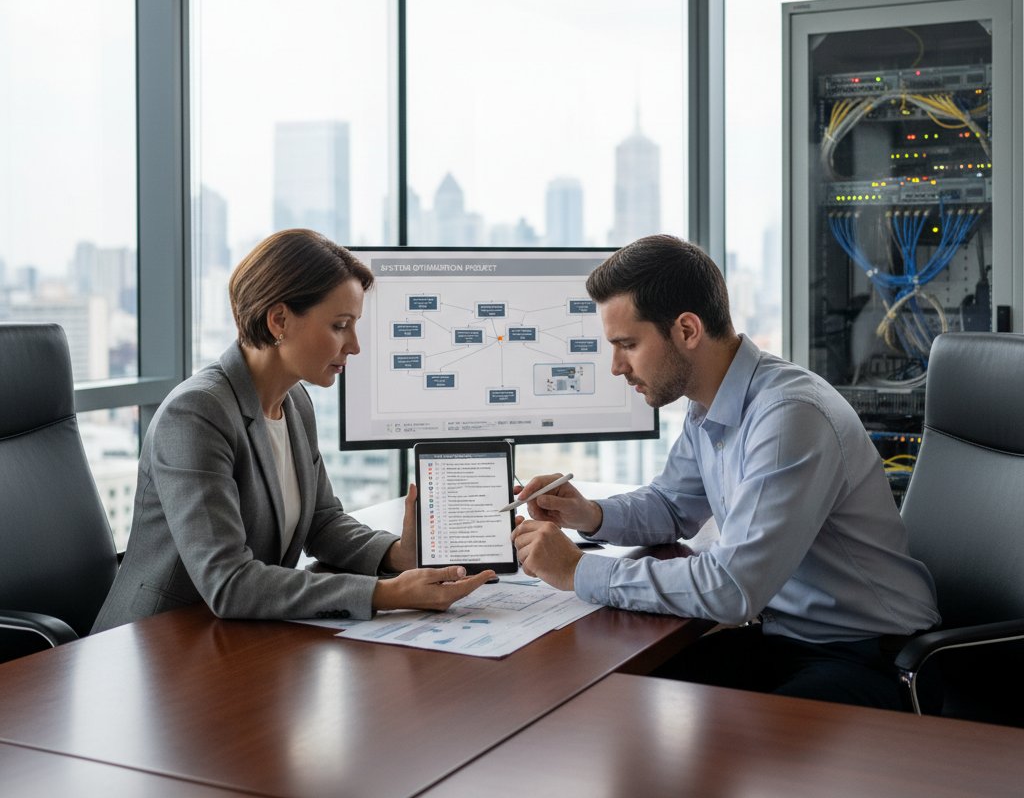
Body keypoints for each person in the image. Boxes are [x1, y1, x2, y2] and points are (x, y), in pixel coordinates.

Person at [511, 234, 939, 709]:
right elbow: (671, 506)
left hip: (869, 655)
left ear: (687, 330)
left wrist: (578, 570)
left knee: (698, 731)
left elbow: (731, 588)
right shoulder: (709, 403)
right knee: (615, 690)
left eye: (627, 344)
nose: (616, 367)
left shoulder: (788, 416)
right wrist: (589, 514)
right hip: (786, 638)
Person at [94, 229, 494, 632]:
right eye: (340, 325)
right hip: (157, 641)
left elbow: (321, 521)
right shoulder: (196, 413)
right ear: (279, 320)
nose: (354, 345)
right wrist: (385, 594)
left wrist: (396, 555)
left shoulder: (295, 402)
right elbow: (228, 582)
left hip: (239, 633)